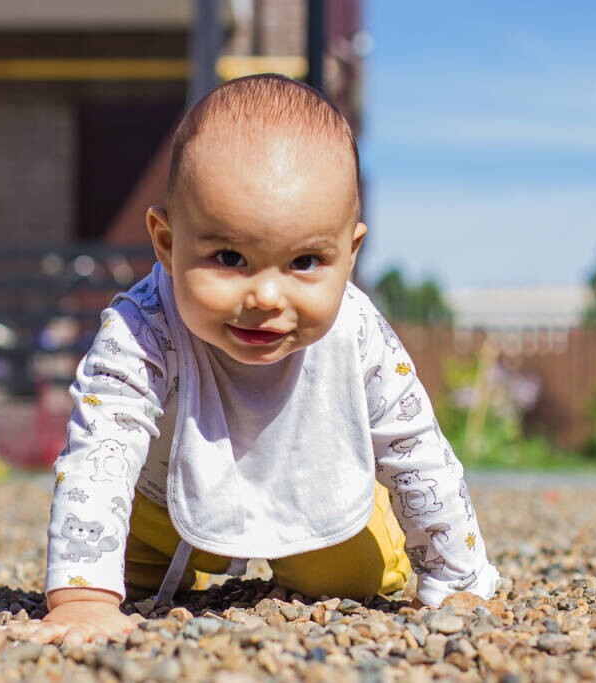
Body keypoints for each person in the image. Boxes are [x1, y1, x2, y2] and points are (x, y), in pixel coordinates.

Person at [33, 74, 499, 645]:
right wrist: (84, 597)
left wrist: (457, 580)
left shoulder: (356, 333)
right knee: (122, 568)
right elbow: (102, 448)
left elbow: (414, 449)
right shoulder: (142, 326)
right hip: (162, 510)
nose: (266, 298)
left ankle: (353, 535)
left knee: (355, 578)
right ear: (167, 243)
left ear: (350, 255)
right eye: (229, 257)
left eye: (305, 261)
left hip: (312, 493)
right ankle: (164, 565)